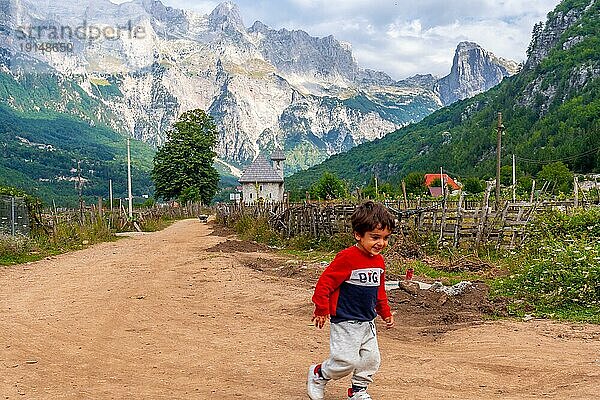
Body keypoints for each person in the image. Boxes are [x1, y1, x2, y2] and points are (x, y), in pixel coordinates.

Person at [307, 200, 396, 400]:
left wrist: (385, 312)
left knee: (371, 359)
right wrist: (321, 309)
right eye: (375, 237)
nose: (380, 243)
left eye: (385, 238)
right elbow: (325, 283)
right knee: (345, 361)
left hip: (367, 321)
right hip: (345, 320)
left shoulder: (379, 261)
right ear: (358, 235)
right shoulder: (347, 258)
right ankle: (319, 374)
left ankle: (357, 391)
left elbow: (378, 291)